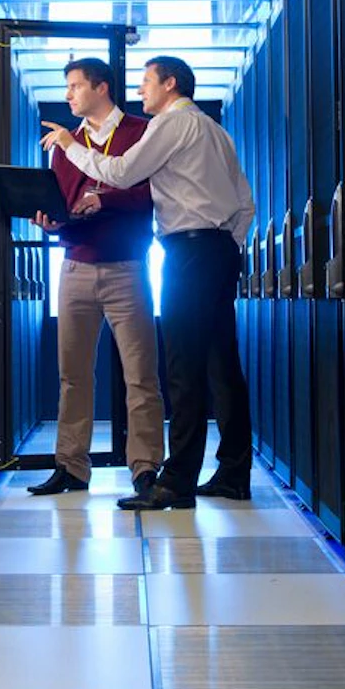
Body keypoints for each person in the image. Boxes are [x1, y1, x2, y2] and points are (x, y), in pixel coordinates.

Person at [41, 57, 255, 510]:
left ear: (170, 84)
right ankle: (234, 474)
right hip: (216, 250)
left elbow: (120, 173)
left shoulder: (168, 125)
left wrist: (67, 142)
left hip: (187, 251)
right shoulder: (217, 131)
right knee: (223, 366)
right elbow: (245, 203)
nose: (140, 90)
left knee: (181, 368)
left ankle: (175, 482)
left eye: (145, 82)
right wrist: (227, 247)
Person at [27, 59, 165, 498]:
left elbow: (149, 193)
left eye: (75, 86)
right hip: (75, 268)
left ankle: (145, 471)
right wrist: (51, 221)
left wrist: (102, 200)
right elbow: (62, 200)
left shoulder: (142, 133)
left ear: (101, 87)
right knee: (73, 376)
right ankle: (71, 468)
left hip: (127, 268)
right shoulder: (62, 145)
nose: (68, 96)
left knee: (140, 375)